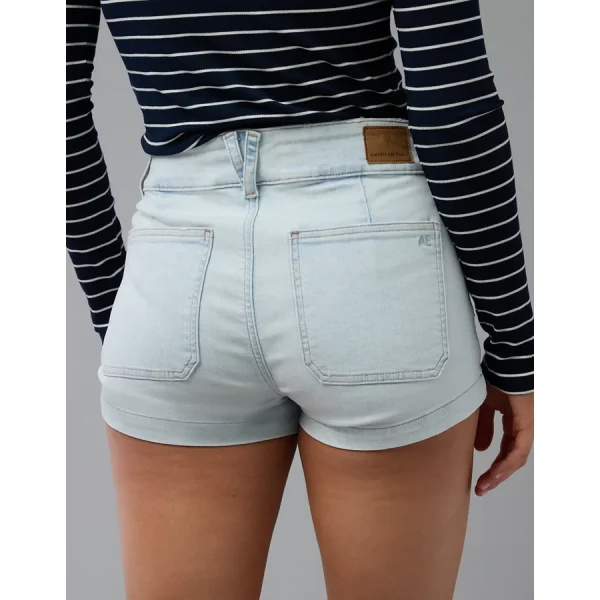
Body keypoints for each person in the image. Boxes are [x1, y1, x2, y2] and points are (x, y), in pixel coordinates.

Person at [66, 1, 534, 598]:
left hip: (177, 254)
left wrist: (126, 310)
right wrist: (514, 346)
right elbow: (452, 97)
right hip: (372, 247)